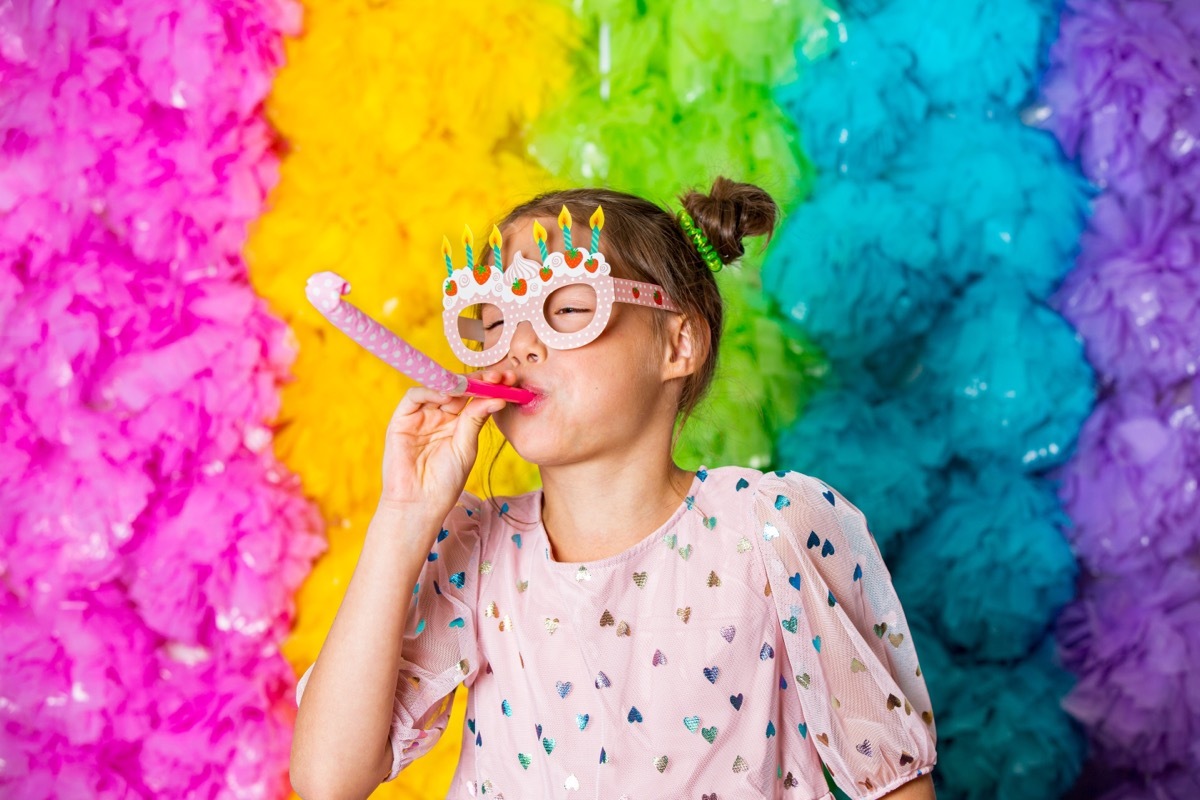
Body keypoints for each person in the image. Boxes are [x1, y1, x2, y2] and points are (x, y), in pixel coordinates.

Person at [289, 178, 938, 800]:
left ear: (678, 344)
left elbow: (892, 782)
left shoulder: (773, 526)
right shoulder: (471, 550)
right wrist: (403, 520)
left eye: (567, 308)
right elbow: (328, 781)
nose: (518, 347)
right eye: (490, 321)